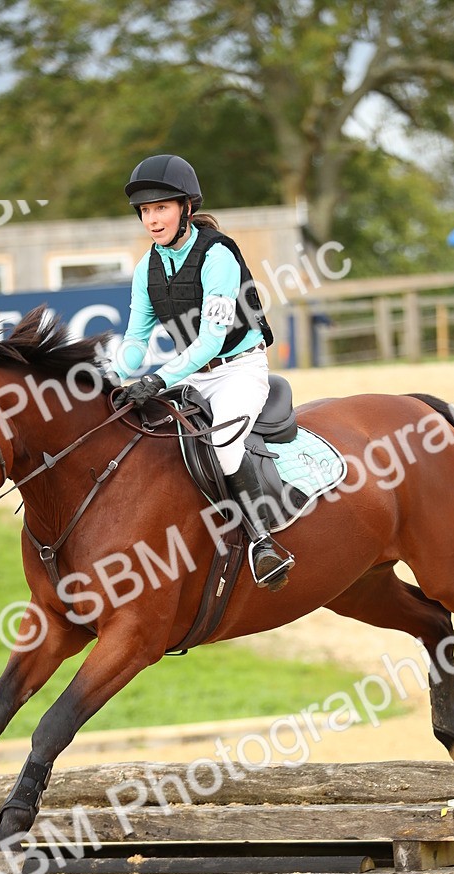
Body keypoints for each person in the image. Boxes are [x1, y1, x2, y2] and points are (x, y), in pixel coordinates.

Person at [112, 154, 293, 592]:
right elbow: (136, 339)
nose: (152, 220)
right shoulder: (146, 268)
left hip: (238, 370)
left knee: (223, 446)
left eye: (161, 208)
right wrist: (113, 370)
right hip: (193, 377)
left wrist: (157, 379)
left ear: (185, 208)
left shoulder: (218, 255)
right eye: (145, 211)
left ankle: (263, 543)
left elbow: (211, 341)